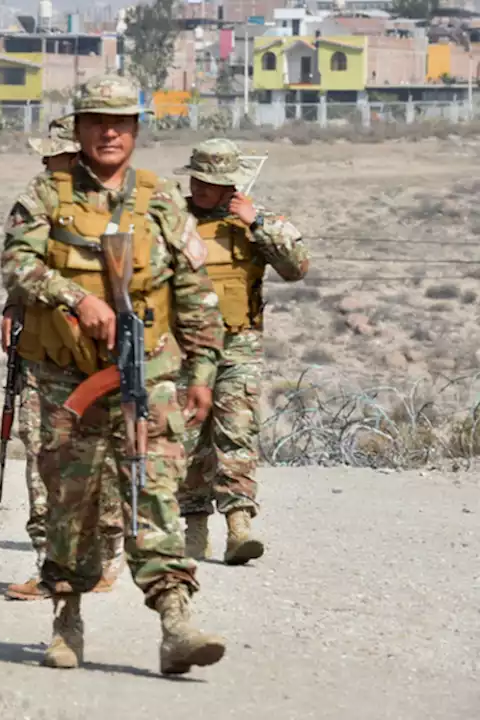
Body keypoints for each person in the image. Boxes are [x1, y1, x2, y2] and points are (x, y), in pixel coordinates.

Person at [1, 74, 227, 675]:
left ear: (135, 132)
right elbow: (17, 265)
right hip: (67, 381)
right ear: (77, 130)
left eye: (121, 123)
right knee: (70, 504)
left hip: (149, 372)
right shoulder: (46, 195)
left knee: (151, 492)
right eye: (97, 122)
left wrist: (202, 369)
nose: (109, 132)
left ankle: (175, 619)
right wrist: (75, 298)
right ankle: (67, 619)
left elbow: (194, 290)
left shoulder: (162, 200)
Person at [5, 114, 126, 602]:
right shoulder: (38, 201)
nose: (44, 163)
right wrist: (14, 306)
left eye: (52, 154)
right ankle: (52, 564)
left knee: (107, 461)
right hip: (46, 351)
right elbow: (21, 264)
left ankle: (105, 557)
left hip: (104, 356)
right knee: (43, 459)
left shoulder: (120, 205)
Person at [173, 138, 310, 565]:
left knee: (236, 431)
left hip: (239, 344)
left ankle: (239, 527)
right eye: (196, 179)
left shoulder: (252, 223)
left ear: (230, 186)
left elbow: (296, 267)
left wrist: (259, 223)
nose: (199, 188)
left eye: (209, 182)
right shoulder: (171, 221)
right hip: (184, 347)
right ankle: (194, 530)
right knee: (186, 438)